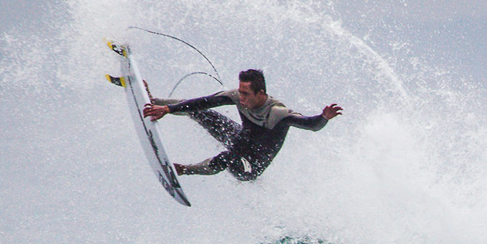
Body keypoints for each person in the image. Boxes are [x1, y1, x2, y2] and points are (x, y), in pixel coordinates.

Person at [142, 69, 342, 181]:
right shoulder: (237, 96)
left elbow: (311, 125)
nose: (241, 97)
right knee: (203, 112)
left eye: (246, 93)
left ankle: (183, 170)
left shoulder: (278, 113)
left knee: (228, 158)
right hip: (240, 138)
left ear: (261, 93)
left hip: (250, 166)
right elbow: (203, 101)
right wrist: (168, 110)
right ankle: (156, 102)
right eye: (241, 91)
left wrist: (323, 118)